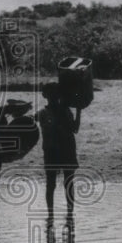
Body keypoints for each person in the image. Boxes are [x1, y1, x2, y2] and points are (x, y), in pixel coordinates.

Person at [36, 82, 81, 223]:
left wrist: (78, 110)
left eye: (55, 94)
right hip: (59, 149)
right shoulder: (47, 113)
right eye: (52, 94)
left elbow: (75, 129)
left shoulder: (51, 112)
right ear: (46, 96)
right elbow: (73, 129)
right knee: (61, 183)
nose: (54, 97)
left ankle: (60, 214)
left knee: (60, 183)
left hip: (56, 150)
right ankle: (60, 215)